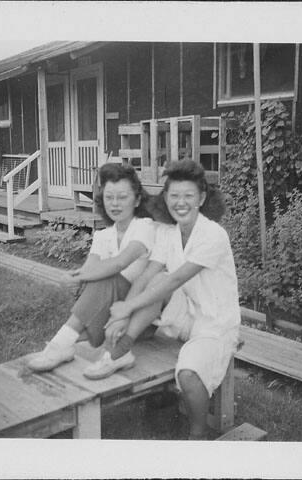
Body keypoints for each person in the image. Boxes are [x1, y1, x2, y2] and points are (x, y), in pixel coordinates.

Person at [84, 160, 241, 440]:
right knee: (152, 281)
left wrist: (128, 306)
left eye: (188, 196)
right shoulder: (169, 233)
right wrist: (121, 315)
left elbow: (175, 279)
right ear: (166, 198)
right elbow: (147, 276)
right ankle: (118, 352)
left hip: (214, 324)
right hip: (185, 314)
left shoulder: (214, 235)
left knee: (189, 376)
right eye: (174, 196)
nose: (180, 203)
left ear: (202, 198)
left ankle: (197, 435)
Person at [27, 162, 155, 372]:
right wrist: (75, 276)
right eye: (109, 197)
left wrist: (77, 277)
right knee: (95, 279)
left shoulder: (145, 227)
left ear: (137, 199)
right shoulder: (103, 235)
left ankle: (60, 345)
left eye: (122, 197)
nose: (115, 204)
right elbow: (89, 271)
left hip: (139, 320)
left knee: (110, 276)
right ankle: (63, 345)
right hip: (108, 315)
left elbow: (120, 263)